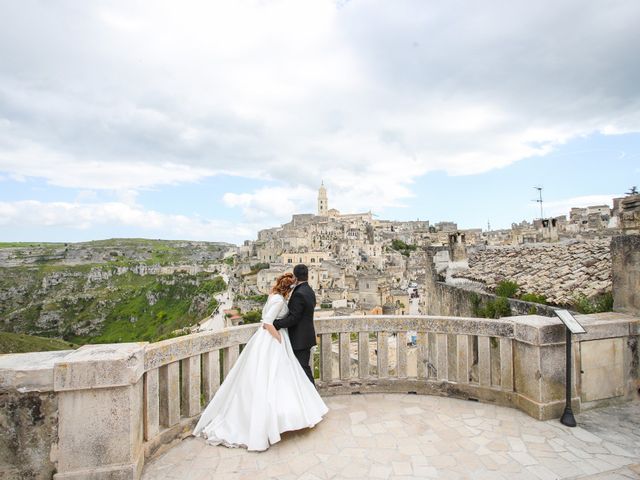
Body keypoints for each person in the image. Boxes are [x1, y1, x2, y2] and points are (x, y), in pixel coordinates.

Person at [193, 272, 328, 452]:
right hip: (272, 340)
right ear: (287, 288)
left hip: (264, 340)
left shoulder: (273, 296)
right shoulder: (280, 300)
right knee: (275, 377)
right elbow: (267, 322)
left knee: (265, 377)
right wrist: (279, 338)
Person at [265, 264, 317, 384]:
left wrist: (275, 324)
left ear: (295, 277)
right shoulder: (309, 290)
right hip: (306, 337)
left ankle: (313, 396)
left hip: (299, 339)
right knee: (301, 368)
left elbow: (294, 318)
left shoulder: (298, 293)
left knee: (302, 369)